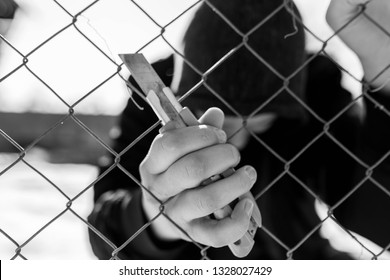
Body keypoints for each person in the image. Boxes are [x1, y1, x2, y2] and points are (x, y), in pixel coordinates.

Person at [88, 0, 390, 259]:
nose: (235, 145)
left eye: (260, 121)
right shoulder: (156, 93)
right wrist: (154, 219)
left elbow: (374, 213)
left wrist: (384, 79)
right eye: (223, 123)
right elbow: (103, 228)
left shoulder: (316, 91)